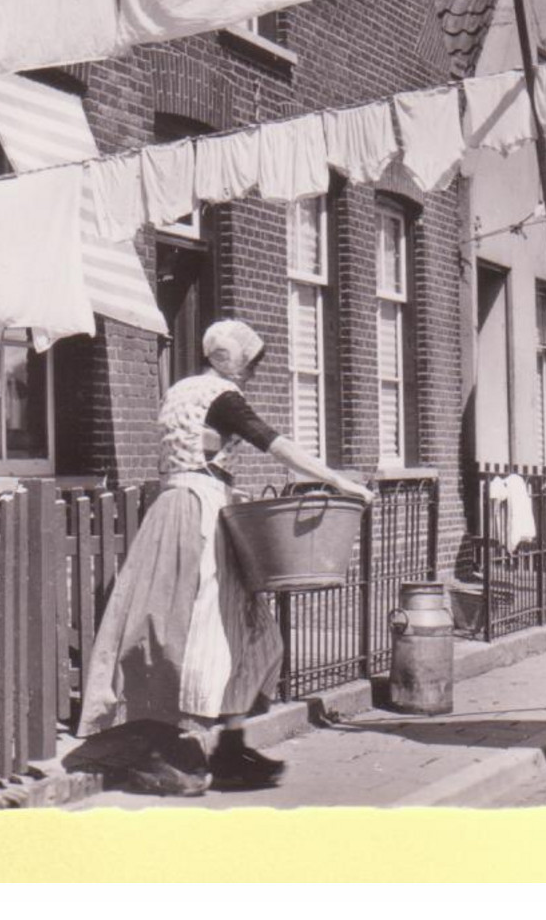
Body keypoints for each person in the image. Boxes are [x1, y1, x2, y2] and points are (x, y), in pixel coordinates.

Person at [78, 319, 374, 796]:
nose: (251, 373)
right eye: (248, 362)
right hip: (201, 513)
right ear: (226, 358)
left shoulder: (182, 391)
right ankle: (181, 752)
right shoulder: (220, 395)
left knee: (188, 624)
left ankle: (225, 746)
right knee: (210, 628)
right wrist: (338, 481)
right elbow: (273, 442)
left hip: (176, 507)